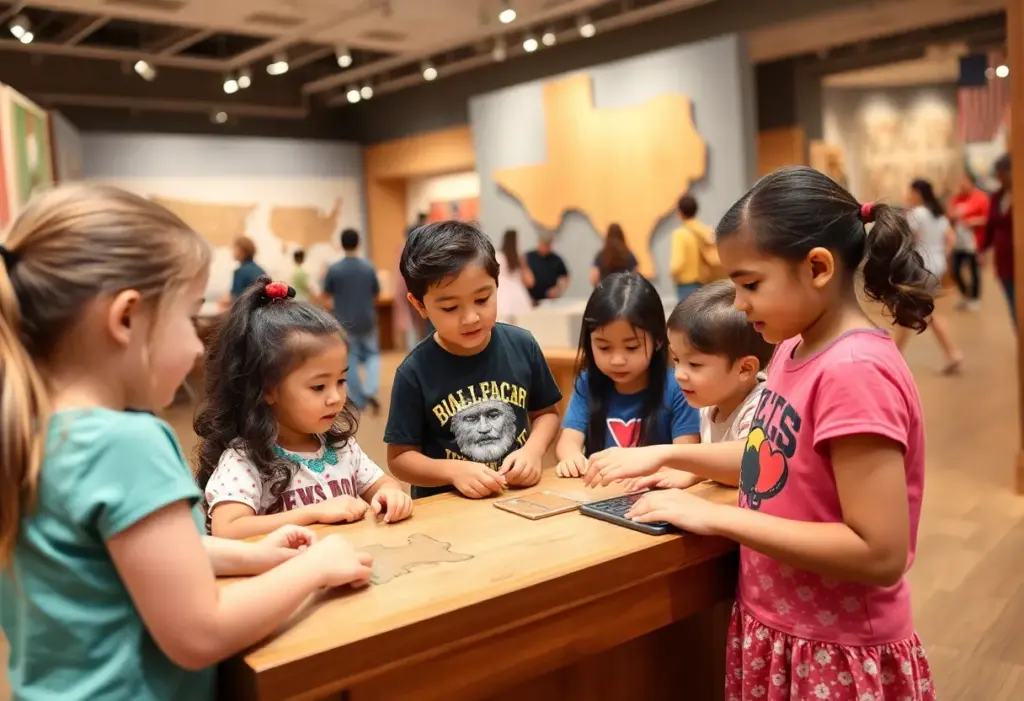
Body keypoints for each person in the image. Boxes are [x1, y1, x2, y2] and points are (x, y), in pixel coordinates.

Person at [0, 185, 373, 701]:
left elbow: (138, 555)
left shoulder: (33, 426)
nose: (198, 346)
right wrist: (316, 567)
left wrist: (256, 556)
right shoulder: (124, 443)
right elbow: (200, 634)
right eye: (188, 315)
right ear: (126, 318)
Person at [583, 166, 937, 701]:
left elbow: (879, 551)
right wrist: (664, 458)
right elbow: (772, 460)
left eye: (750, 284)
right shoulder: (796, 348)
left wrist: (718, 517)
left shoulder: (855, 371)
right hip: (779, 627)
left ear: (817, 267)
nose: (740, 305)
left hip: (835, 648)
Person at [195, 279, 413, 540]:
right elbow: (228, 528)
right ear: (267, 389)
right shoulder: (246, 459)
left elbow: (384, 484)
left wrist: (390, 494)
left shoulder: (342, 448)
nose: (335, 397)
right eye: (319, 387)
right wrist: (315, 513)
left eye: (341, 381)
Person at [384, 221, 563, 499]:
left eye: (482, 299)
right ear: (419, 305)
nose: (470, 318)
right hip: (448, 511)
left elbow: (547, 414)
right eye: (450, 307)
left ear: (497, 284)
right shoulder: (414, 371)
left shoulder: (522, 345)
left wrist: (532, 451)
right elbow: (400, 458)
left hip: (514, 497)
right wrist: (453, 472)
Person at [621, 280, 775, 492]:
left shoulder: (764, 405)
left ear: (745, 369)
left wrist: (685, 465)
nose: (679, 374)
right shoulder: (709, 403)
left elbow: (749, 462)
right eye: (676, 360)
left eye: (694, 364)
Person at [553, 272, 700, 478]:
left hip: (656, 495)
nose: (617, 360)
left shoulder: (678, 387)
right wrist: (572, 458)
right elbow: (568, 441)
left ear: (658, 340)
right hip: (602, 496)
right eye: (604, 348)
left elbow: (686, 457)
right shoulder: (587, 383)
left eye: (631, 347)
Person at [892, 179, 963, 373]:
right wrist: (941, 254)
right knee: (921, 312)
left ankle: (895, 356)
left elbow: (905, 239)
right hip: (936, 266)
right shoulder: (939, 215)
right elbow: (951, 239)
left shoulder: (918, 214)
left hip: (919, 267)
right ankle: (950, 353)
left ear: (917, 193)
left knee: (910, 312)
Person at [322, 228, 381, 414]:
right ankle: (371, 388)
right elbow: (376, 294)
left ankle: (358, 398)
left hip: (344, 321)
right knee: (372, 354)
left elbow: (326, 297)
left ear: (341, 244)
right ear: (359, 243)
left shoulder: (334, 269)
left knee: (351, 359)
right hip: (366, 318)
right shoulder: (368, 267)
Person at [948, 172, 990, 310]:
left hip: (974, 241)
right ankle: (966, 295)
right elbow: (950, 215)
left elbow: (987, 219)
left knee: (974, 271)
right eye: (961, 181)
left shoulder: (981, 198)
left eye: (965, 181)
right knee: (955, 270)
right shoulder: (956, 199)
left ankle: (975, 298)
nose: (962, 184)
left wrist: (974, 221)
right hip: (959, 241)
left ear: (971, 182)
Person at [982, 154, 1014, 324]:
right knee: (1014, 307)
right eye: (999, 175)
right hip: (1003, 261)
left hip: (1019, 259)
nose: (1001, 179)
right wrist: (983, 249)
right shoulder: (997, 197)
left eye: (1004, 174)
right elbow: (990, 226)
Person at [670, 194, 721, 301]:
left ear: (680, 212)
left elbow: (677, 264)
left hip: (686, 286)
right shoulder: (705, 230)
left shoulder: (680, 234)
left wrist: (673, 275)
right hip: (707, 283)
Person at [496, 228, 535, 324]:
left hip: (502, 295)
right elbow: (530, 281)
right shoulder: (518, 260)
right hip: (517, 295)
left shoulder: (498, 256)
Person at [220, 236, 266, 310]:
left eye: (234, 248)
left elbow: (235, 298)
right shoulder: (261, 270)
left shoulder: (239, 272)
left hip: (246, 313)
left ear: (241, 251)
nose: (232, 251)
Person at [525, 232, 570, 303]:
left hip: (550, 300)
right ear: (539, 243)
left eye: (547, 245)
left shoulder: (556, 259)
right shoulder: (528, 257)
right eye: (543, 244)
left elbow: (565, 277)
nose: (545, 247)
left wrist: (558, 289)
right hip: (530, 300)